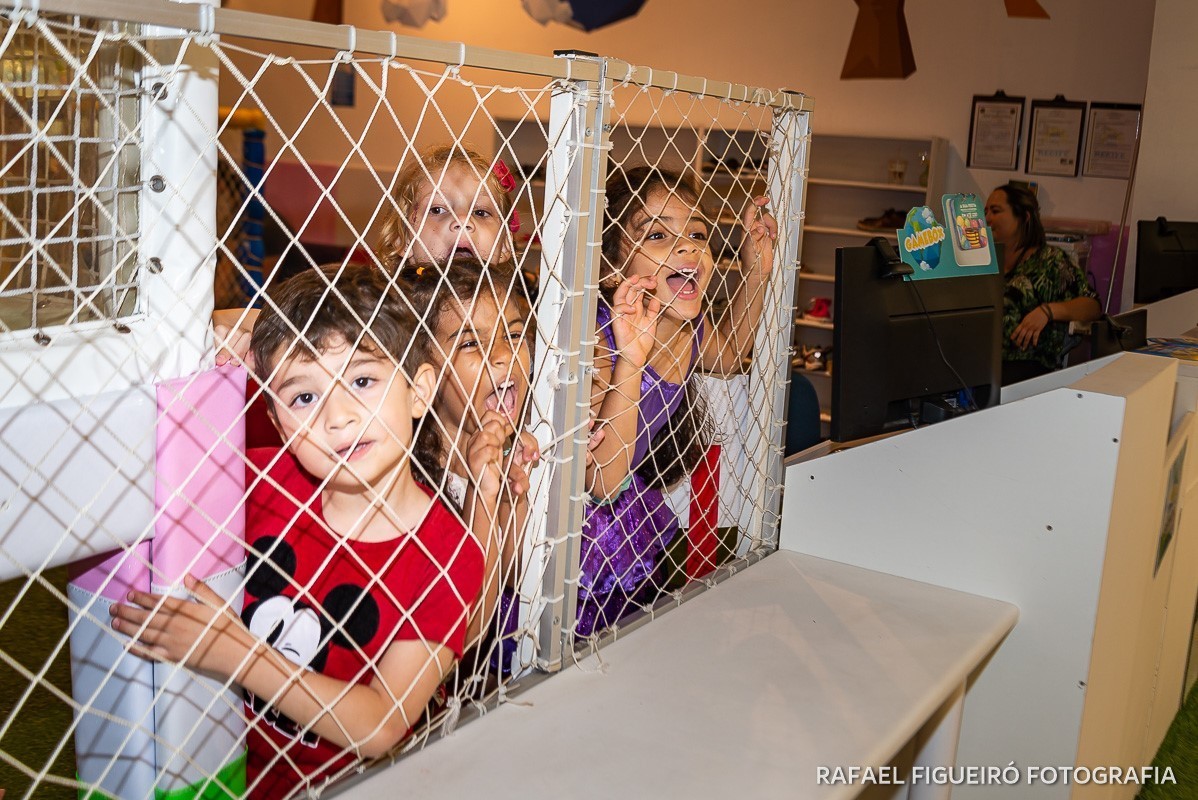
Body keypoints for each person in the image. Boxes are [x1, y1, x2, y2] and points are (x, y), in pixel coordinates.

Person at [110, 264, 512, 799]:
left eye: (363, 381)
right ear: (277, 422)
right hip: (218, 771)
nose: (338, 417)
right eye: (303, 397)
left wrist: (234, 651)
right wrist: (214, 342)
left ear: (419, 393)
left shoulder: (448, 553)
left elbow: (382, 723)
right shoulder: (260, 479)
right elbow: (154, 431)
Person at [578, 165, 776, 637]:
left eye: (697, 234)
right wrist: (632, 359)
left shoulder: (687, 329)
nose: (688, 246)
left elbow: (729, 357)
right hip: (580, 532)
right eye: (659, 235)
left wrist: (757, 270)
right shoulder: (599, 343)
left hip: (628, 509)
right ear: (611, 268)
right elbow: (600, 478)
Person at [213, 143, 522, 366]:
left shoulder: (515, 323)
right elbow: (277, 322)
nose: (461, 222)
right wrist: (221, 330)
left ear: (506, 244)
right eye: (437, 210)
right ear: (402, 240)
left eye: (481, 212)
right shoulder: (385, 306)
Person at [397, 256, 540, 670]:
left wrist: (514, 495)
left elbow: (518, 574)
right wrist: (481, 492)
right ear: (423, 372)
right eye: (470, 343)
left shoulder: (523, 443)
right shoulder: (410, 481)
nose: (503, 357)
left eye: (513, 335)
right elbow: (466, 625)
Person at [984, 183, 1101, 384]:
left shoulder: (1050, 260)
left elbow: (1092, 305)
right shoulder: (983, 260)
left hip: (1025, 369)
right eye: (986, 212)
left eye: (996, 211)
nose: (987, 219)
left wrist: (1047, 311)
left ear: (1024, 217)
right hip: (980, 363)